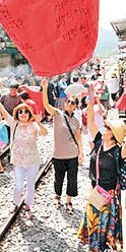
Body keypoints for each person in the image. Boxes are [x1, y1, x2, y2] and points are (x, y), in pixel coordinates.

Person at [77, 104, 126, 252]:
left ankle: (99, 251)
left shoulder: (118, 151)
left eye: (108, 128)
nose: (105, 129)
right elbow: (90, 121)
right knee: (95, 222)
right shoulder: (98, 142)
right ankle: (94, 251)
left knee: (105, 224)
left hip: (108, 194)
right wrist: (91, 100)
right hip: (96, 190)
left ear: (114, 134)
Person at [0, 99, 47, 214]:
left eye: (25, 111)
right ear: (17, 114)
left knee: (30, 184)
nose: (23, 113)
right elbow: (4, 112)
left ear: (29, 114)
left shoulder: (34, 125)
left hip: (32, 159)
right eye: (20, 112)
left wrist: (39, 123)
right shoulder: (14, 124)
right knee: (18, 185)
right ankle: (15, 203)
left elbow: (44, 133)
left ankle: (28, 203)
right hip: (18, 160)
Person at [41, 78, 83, 213]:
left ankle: (69, 201)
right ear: (65, 103)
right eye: (69, 102)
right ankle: (57, 197)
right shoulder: (57, 114)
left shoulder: (76, 121)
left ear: (76, 106)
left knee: (72, 179)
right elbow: (46, 105)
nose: (70, 104)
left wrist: (81, 153)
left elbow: (78, 138)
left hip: (72, 154)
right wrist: (45, 88)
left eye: (73, 103)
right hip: (58, 154)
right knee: (58, 178)